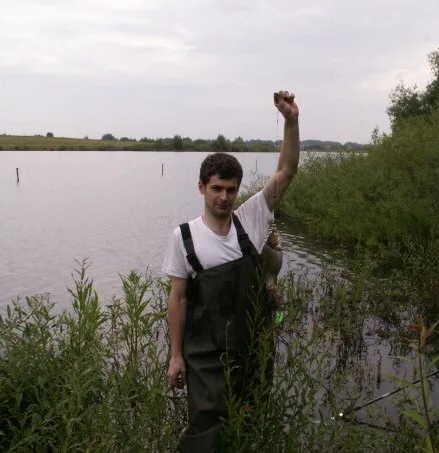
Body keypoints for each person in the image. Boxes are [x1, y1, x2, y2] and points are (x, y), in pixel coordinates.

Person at [162, 90, 299, 452]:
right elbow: (177, 298)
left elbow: (286, 172)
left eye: (231, 190)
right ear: (202, 188)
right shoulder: (184, 237)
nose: (224, 197)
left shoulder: (251, 221)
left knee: (249, 422)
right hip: (205, 357)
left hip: (252, 349)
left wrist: (291, 120)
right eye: (216, 189)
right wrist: (176, 356)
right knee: (205, 432)